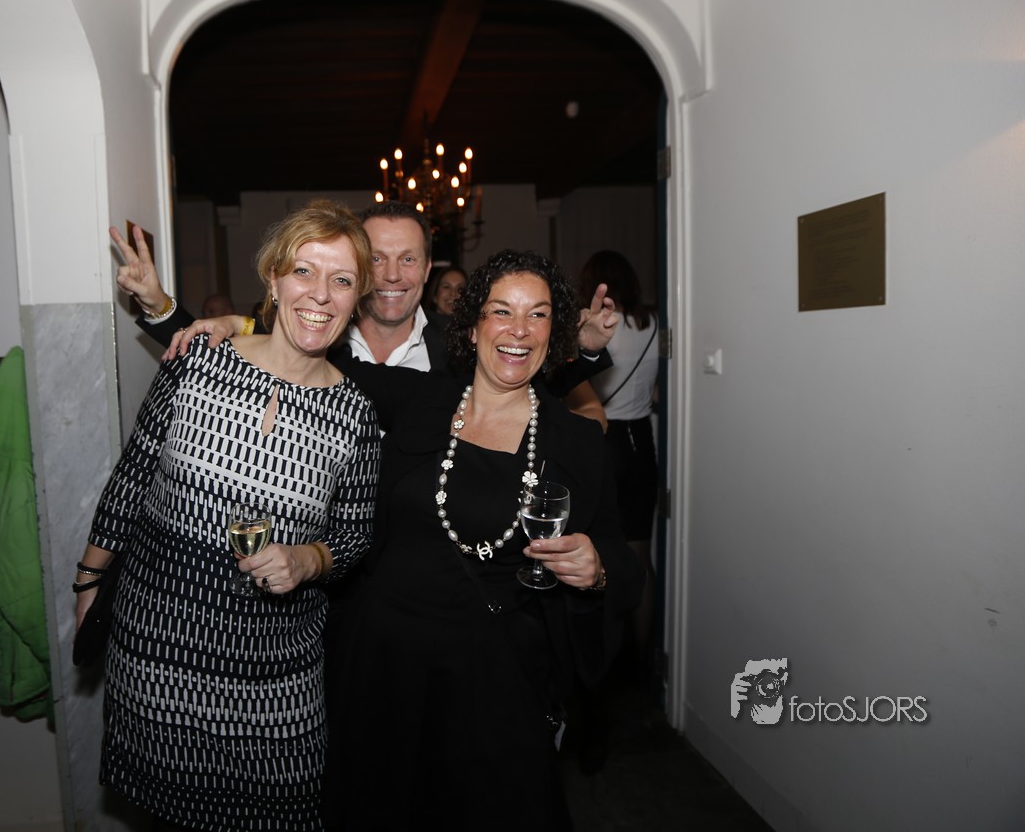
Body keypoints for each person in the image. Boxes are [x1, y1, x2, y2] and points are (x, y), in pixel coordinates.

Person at [170, 251, 643, 831]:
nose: (519, 330)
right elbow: (300, 351)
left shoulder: (576, 442)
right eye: (501, 311)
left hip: (493, 678)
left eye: (537, 315)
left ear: (554, 333)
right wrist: (230, 322)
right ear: (472, 328)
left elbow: (623, 567)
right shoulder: (420, 399)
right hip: (382, 664)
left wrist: (597, 568)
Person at [74, 199, 381, 831]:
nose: (320, 294)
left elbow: (353, 537)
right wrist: (88, 581)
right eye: (303, 271)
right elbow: (132, 476)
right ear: (273, 278)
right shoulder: (199, 360)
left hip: (275, 674)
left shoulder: (355, 415)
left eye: (342, 280)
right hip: (159, 649)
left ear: (357, 300)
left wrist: (308, 559)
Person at [112, 202, 620, 396]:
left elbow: (530, 387)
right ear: (356, 270)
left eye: (408, 259)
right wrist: (157, 302)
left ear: (427, 269)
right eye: (376, 259)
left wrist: (589, 350)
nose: (392, 275)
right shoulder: (316, 331)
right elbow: (208, 350)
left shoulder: (462, 344)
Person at [580, 250, 659, 657]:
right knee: (639, 554)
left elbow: (581, 390)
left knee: (600, 555)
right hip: (641, 440)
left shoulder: (600, 327)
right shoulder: (653, 324)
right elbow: (656, 390)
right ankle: (642, 655)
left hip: (605, 438)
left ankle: (605, 654)